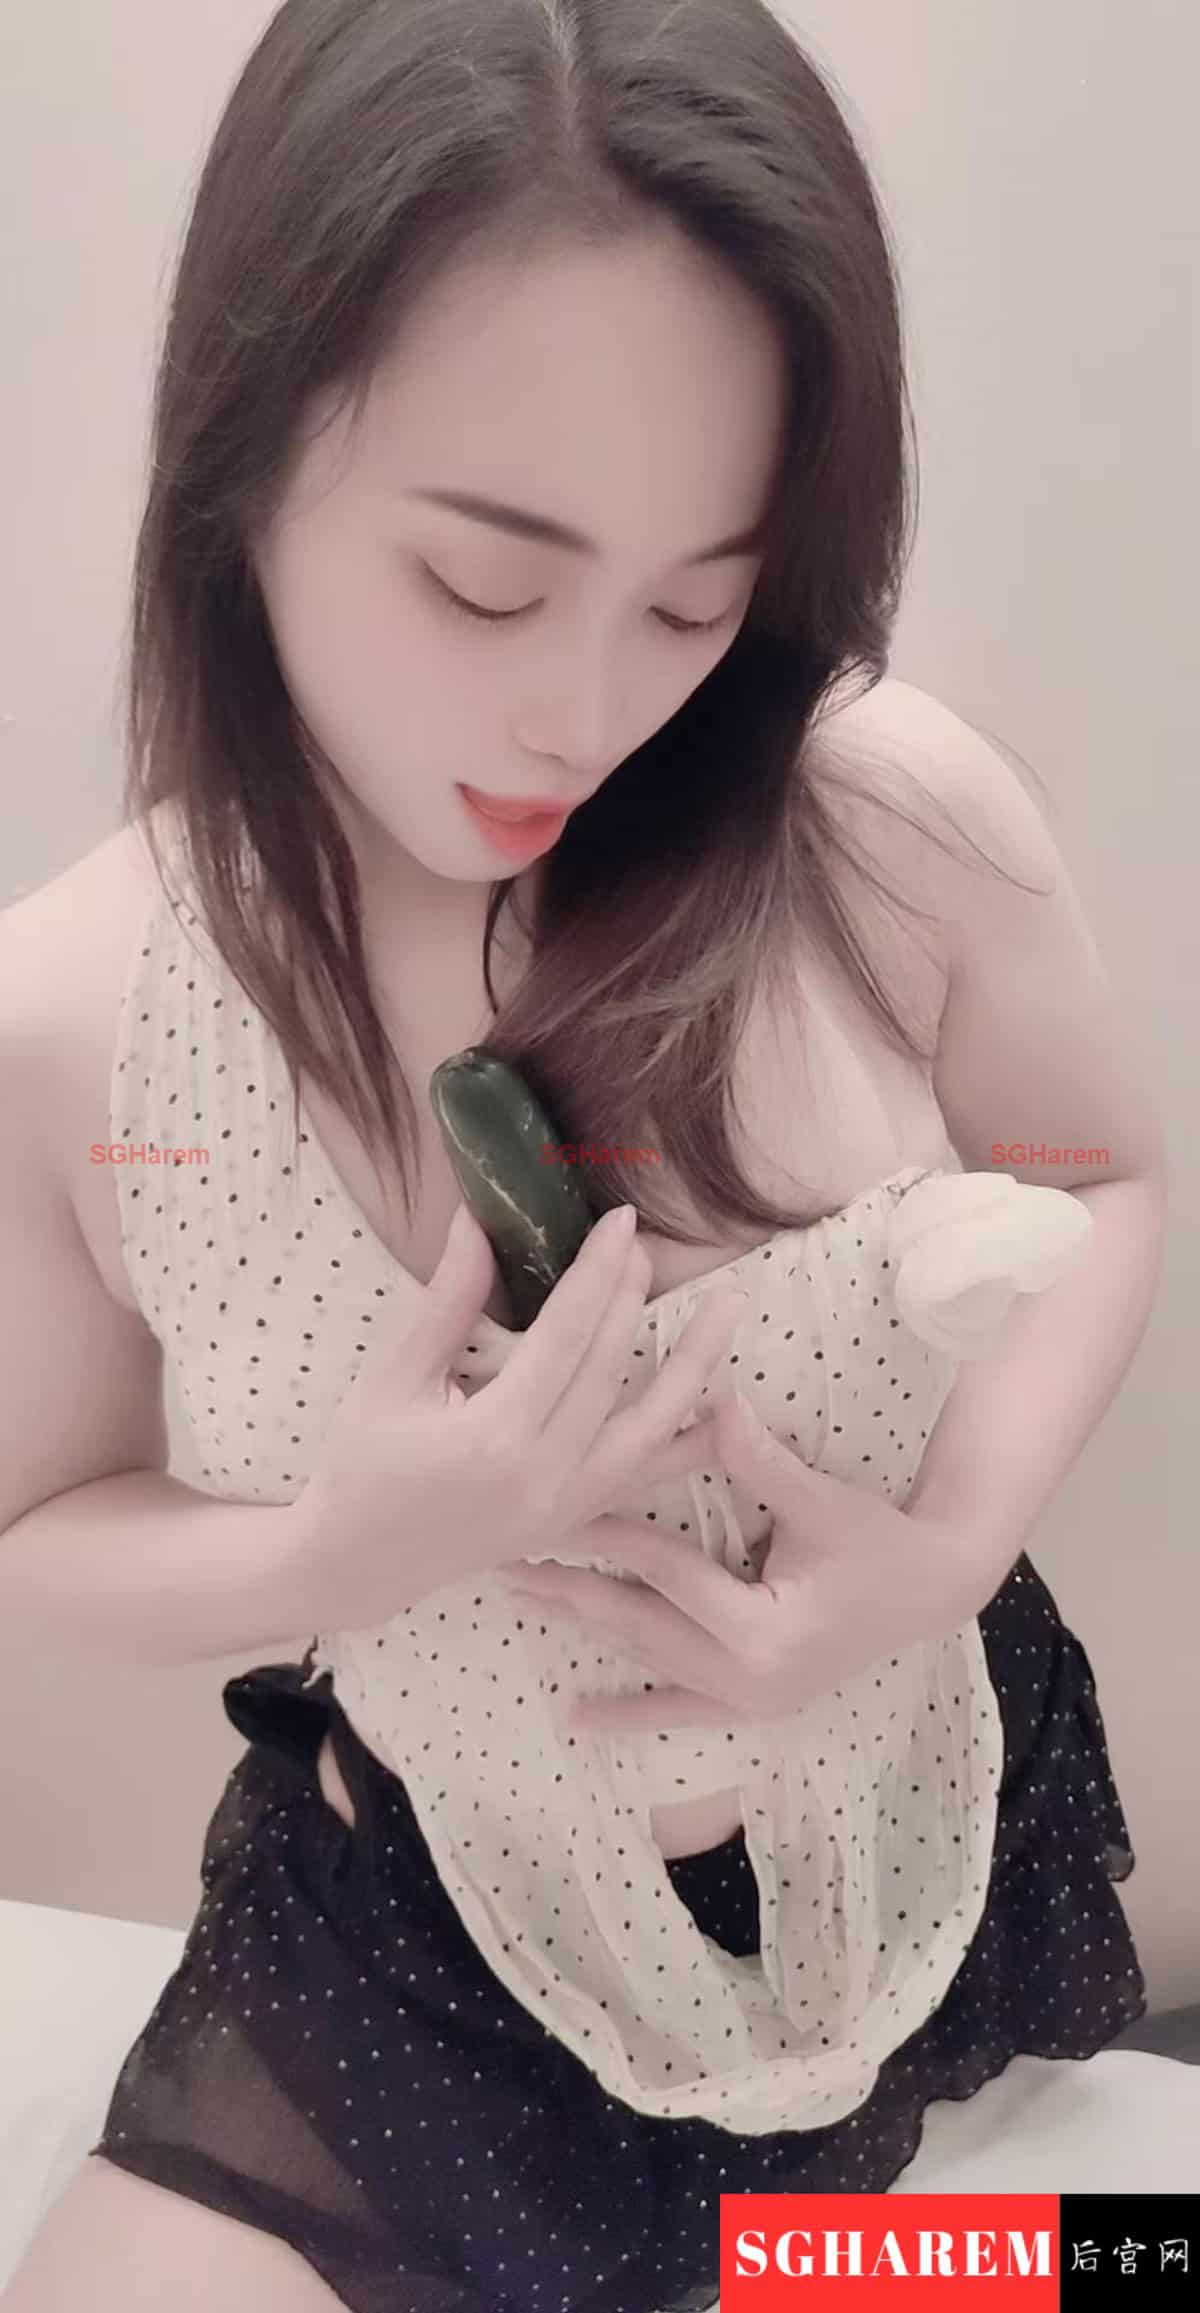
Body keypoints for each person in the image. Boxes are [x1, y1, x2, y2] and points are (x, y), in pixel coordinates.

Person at [0, 0, 1164, 2306]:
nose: (590, 708)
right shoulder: (73, 1012)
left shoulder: (883, 818)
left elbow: (1096, 1179)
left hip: (900, 1824)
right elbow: (31, 1525)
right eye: (483, 581)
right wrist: (338, 1543)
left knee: (1059, 2256)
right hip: (431, 1943)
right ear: (241, 457)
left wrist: (943, 1547)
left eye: (697, 597)